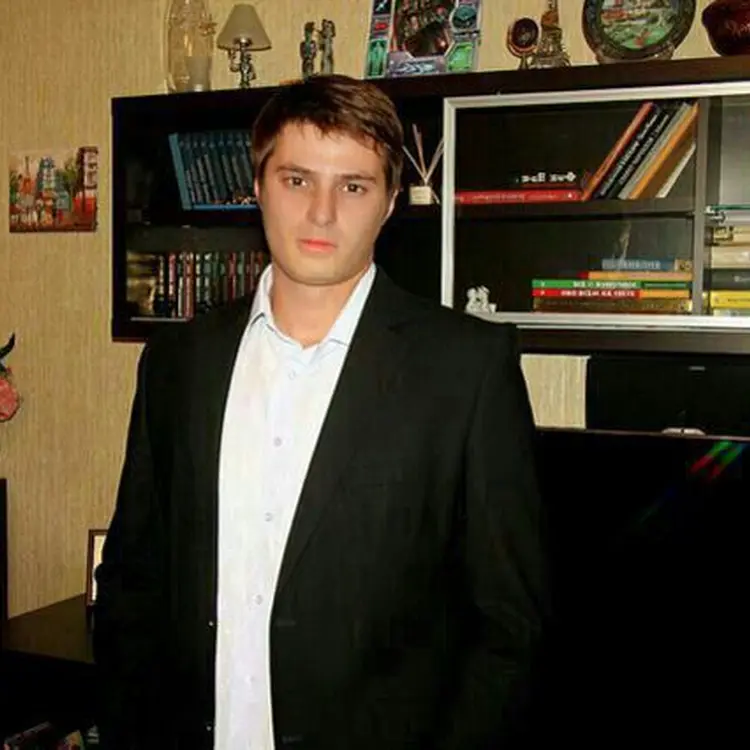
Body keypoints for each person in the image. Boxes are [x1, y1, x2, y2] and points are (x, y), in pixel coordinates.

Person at [93, 73, 547, 750]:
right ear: (258, 186)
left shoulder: (467, 370)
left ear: (390, 202)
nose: (322, 213)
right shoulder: (177, 361)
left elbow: (510, 625)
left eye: (354, 186)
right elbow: (134, 576)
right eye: (297, 180)